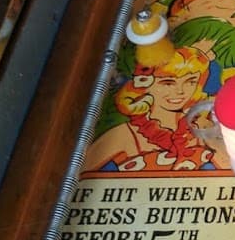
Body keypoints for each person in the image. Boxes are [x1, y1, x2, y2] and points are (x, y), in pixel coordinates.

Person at [84, 46, 217, 172]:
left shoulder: (202, 129)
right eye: (168, 83)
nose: (180, 91)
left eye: (190, 81)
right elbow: (80, 178)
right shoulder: (125, 134)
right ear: (145, 84)